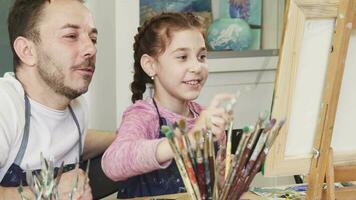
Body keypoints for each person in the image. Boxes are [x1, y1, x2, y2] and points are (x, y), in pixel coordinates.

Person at [101, 12, 233, 198]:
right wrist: (186, 141)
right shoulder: (143, 115)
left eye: (201, 56)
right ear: (150, 65)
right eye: (182, 57)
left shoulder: (206, 117)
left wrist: (223, 178)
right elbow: (113, 164)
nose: (196, 67)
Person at [0, 0, 115, 199]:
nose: (91, 49)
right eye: (71, 36)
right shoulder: (5, 104)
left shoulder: (77, 108)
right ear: (27, 51)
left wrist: (127, 136)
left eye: (93, 38)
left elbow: (65, 138)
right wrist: (49, 191)